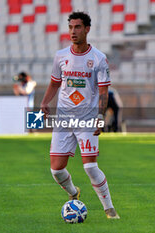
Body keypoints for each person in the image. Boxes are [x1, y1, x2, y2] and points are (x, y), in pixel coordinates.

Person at [40, 11, 120, 219]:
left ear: (87, 29)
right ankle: (73, 193)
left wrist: (100, 117)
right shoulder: (61, 56)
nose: (73, 31)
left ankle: (109, 209)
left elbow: (103, 92)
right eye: (70, 27)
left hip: (87, 118)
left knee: (90, 166)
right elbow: (55, 83)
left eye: (77, 27)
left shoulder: (99, 59)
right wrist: (45, 101)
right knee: (56, 170)